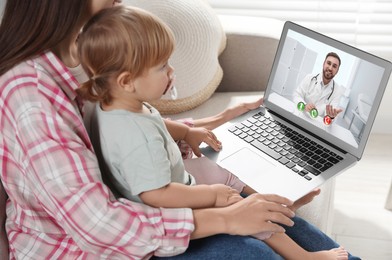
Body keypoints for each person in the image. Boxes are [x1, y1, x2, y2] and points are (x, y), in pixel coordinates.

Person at [0, 1, 361, 259]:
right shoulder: (31, 95)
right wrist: (224, 215)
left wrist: (210, 122)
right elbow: (99, 226)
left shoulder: (87, 60)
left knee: (283, 220)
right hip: (91, 245)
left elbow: (134, 132)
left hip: (140, 210)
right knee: (254, 241)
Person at [293, 52, 345, 122]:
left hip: (317, 124)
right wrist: (304, 106)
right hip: (300, 116)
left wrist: (330, 117)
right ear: (323, 64)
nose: (330, 68)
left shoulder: (337, 91)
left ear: (337, 71)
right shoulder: (309, 78)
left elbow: (329, 116)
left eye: (334, 66)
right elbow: (296, 95)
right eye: (328, 63)